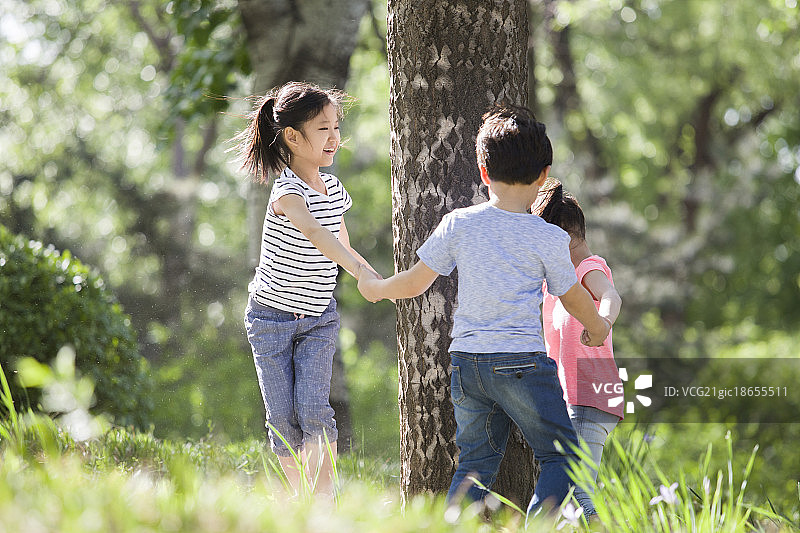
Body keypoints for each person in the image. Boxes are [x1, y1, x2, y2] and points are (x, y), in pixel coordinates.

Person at [357, 104, 611, 518]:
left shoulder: (460, 223)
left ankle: (451, 527)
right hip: (521, 364)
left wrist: (377, 287)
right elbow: (573, 296)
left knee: (475, 464)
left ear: (483, 171)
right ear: (544, 174)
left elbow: (416, 281)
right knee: (564, 456)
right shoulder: (547, 237)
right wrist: (597, 327)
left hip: (468, 364)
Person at [233, 81, 379, 497]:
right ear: (293, 137)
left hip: (318, 318)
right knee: (282, 419)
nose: (334, 137)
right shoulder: (287, 191)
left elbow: (343, 242)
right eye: (323, 129)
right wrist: (355, 267)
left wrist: (368, 276)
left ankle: (324, 504)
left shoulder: (334, 190)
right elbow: (316, 233)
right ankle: (301, 504)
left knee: (314, 410)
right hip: (270, 319)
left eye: (336, 127)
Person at [532, 178, 623, 513]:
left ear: (566, 238)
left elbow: (611, 296)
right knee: (571, 494)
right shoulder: (556, 284)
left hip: (591, 393)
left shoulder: (588, 268)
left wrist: (604, 324)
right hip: (573, 397)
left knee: (579, 491)